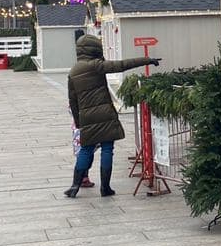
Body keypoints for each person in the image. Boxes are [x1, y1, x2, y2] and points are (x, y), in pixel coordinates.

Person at [65, 34, 159, 197]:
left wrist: (79, 121)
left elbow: (72, 100)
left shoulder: (73, 71)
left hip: (86, 117)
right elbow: (121, 65)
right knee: (107, 149)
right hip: (105, 115)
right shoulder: (96, 65)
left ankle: (75, 185)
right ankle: (105, 188)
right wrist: (147, 59)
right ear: (94, 49)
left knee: (86, 150)